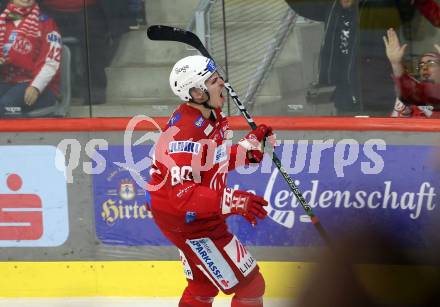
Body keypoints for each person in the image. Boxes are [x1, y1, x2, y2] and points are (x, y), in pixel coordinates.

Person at [147, 55, 275, 307]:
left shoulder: (211, 116)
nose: (223, 84)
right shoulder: (183, 134)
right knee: (251, 286)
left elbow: (212, 161)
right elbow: (182, 196)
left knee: (202, 286)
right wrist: (233, 200)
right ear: (196, 92)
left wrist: (247, 150)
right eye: (215, 80)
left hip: (195, 214)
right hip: (187, 220)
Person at [285, 0, 440, 116]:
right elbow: (301, 5)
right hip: (344, 102)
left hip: (379, 103)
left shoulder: (380, 3)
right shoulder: (331, 7)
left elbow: (408, 10)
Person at [41, 0, 131, 104]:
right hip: (47, 9)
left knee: (95, 42)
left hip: (90, 10)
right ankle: (43, 91)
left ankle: (94, 91)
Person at [0, 0, 61, 117]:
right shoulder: (3, 20)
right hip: (8, 81)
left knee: (4, 106)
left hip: (40, 86)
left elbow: (51, 62)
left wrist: (36, 86)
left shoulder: (47, 23)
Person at [384, 28, 440, 118]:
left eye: (431, 63)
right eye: (421, 65)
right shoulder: (412, 101)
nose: (424, 68)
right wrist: (396, 64)